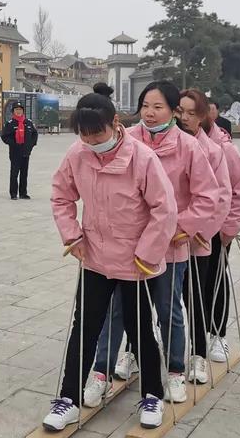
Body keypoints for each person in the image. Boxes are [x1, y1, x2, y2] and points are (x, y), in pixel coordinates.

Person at [84, 81, 227, 406]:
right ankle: (101, 372)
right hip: (128, 247)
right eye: (145, 106)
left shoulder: (189, 147)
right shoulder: (127, 140)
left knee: (167, 309)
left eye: (158, 107)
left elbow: (208, 195)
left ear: (174, 111)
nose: (149, 113)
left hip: (169, 245)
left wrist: (182, 227)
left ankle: (175, 370)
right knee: (117, 310)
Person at [45, 92, 176, 432]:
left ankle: (152, 395)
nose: (92, 143)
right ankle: (68, 398)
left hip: (136, 262)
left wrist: (148, 252)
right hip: (95, 257)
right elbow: (61, 195)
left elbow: (164, 208)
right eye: (85, 136)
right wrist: (72, 235)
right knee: (85, 328)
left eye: (97, 135)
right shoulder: (77, 154)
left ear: (115, 123)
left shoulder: (142, 158)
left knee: (139, 328)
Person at [180, 88, 240, 378]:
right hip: (180, 230)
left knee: (213, 283)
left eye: (193, 112)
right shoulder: (177, 141)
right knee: (180, 286)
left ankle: (217, 333)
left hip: (214, 229)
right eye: (181, 111)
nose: (185, 117)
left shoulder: (222, 148)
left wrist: (227, 229)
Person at [1, 102, 38, 200]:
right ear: (13, 111)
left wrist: (31, 145)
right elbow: (4, 136)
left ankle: (23, 193)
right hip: (15, 152)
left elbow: (34, 134)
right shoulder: (10, 124)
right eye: (16, 109)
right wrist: (13, 144)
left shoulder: (28, 123)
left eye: (20, 109)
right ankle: (13, 193)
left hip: (26, 152)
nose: (18, 111)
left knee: (24, 173)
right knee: (14, 173)